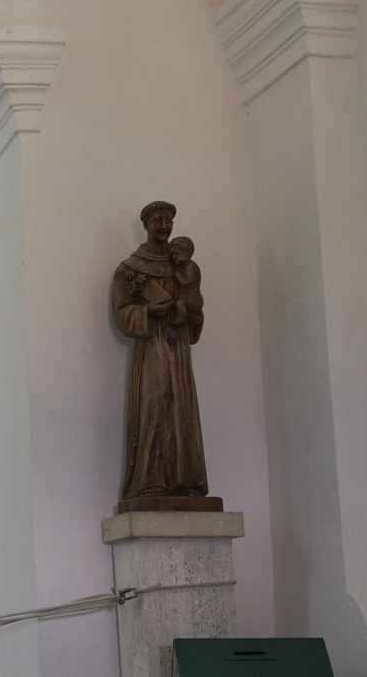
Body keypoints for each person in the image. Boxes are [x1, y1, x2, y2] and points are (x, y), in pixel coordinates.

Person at [111, 201, 211, 507]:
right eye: (158, 220)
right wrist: (147, 312)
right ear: (146, 224)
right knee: (154, 406)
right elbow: (122, 313)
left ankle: (187, 481)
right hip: (152, 348)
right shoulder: (130, 268)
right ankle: (150, 480)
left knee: (182, 408)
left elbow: (195, 304)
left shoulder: (184, 266)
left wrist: (188, 310)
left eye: (169, 220)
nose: (164, 226)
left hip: (178, 348)